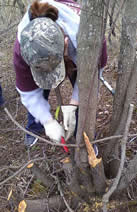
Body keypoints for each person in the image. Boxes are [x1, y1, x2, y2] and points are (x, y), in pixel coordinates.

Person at [13, 0, 107, 148]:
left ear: (65, 43)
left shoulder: (89, 37)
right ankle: (35, 126)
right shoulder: (23, 48)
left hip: (79, 50)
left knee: (85, 98)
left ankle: (85, 137)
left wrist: (75, 103)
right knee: (39, 95)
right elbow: (28, 93)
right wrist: (47, 121)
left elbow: (92, 79)